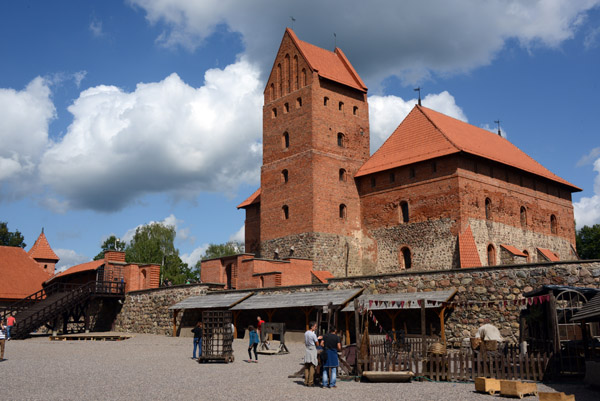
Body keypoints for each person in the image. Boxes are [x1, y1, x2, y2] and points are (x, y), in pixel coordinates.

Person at [304, 321, 322, 387]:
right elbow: (317, 344)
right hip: (312, 349)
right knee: (312, 366)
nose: (316, 328)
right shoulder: (313, 335)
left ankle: (306, 381)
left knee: (306, 366)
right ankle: (310, 382)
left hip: (307, 349)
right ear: (312, 326)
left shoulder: (306, 333)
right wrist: (318, 339)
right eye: (315, 326)